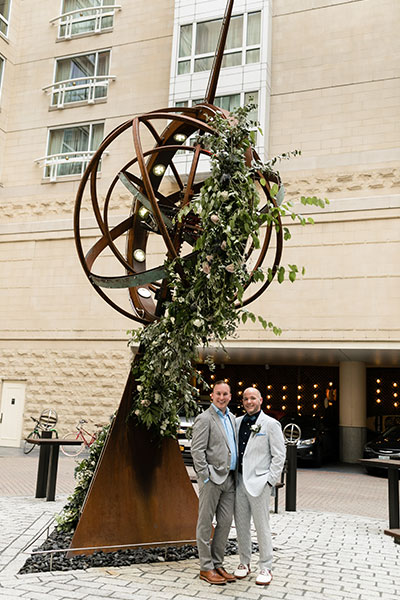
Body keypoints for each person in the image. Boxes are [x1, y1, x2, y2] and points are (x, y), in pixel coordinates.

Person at [234, 387, 286, 586]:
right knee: (241, 525)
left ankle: (266, 566)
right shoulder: (237, 422)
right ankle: (244, 562)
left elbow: (279, 455)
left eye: (253, 398)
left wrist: (269, 481)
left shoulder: (271, 424)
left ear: (261, 400)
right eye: (246, 399)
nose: (249, 402)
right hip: (238, 481)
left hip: (259, 483)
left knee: (261, 525)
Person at [191, 380, 237, 585]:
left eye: (225, 394)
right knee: (205, 522)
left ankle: (218, 563)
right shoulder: (204, 418)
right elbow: (197, 450)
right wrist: (205, 475)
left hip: (230, 479)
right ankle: (205, 567)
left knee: (225, 522)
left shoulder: (233, 418)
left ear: (230, 396)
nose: (221, 397)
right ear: (212, 395)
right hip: (211, 479)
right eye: (218, 393)